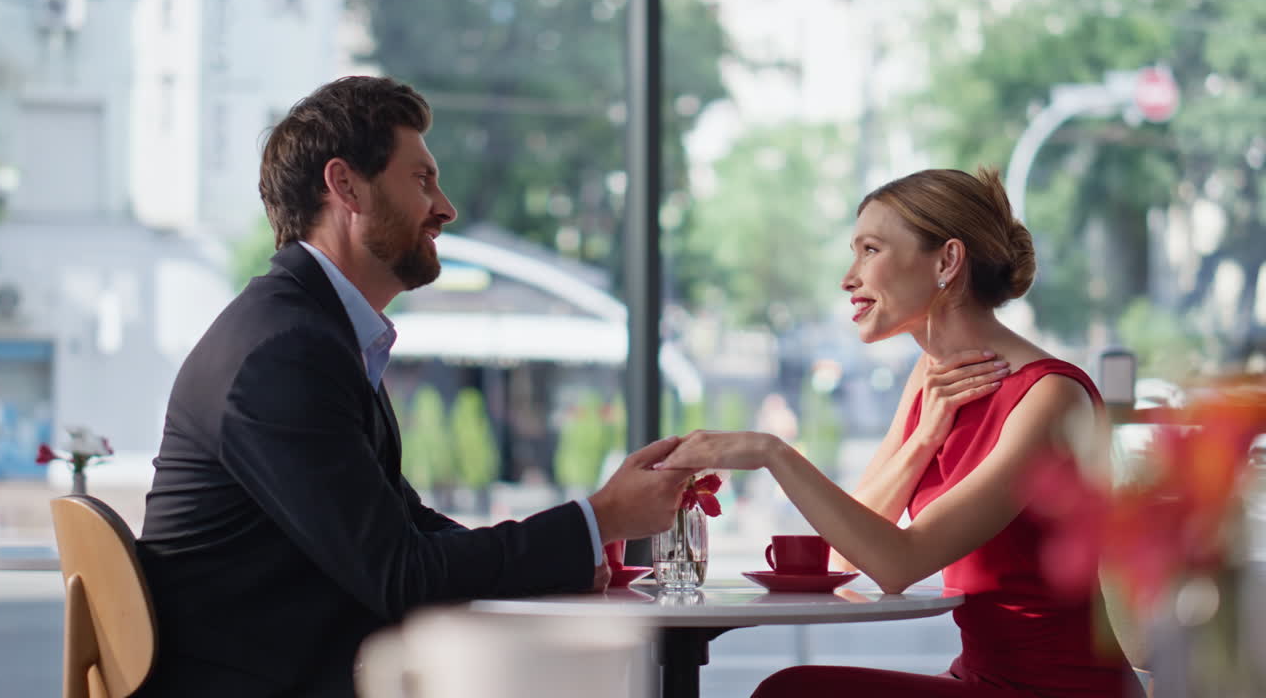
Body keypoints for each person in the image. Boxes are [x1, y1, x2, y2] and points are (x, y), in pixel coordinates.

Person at [134, 76, 692, 697]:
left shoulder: (305, 330)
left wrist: (583, 543)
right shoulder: (284, 351)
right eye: (422, 180)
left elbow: (410, 527)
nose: (445, 208)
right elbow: (401, 574)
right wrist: (598, 519)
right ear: (345, 186)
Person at [656, 168, 1144, 697]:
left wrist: (770, 450)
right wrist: (923, 441)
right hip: (981, 679)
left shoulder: (1048, 395)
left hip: (1060, 690)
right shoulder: (929, 384)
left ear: (947, 261)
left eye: (870, 250)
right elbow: (846, 556)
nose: (848, 277)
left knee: (796, 692)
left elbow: (896, 564)